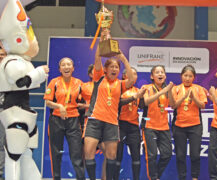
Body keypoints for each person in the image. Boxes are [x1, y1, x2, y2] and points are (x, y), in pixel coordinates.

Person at [0, 0, 49, 179]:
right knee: (13, 157)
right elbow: (20, 81)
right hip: (15, 114)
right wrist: (38, 74)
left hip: (25, 113)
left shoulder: (19, 60)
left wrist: (37, 75)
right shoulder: (11, 61)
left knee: (26, 155)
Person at [83, 47, 135, 180]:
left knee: (112, 156)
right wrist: (102, 39)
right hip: (94, 120)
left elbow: (132, 79)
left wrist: (123, 59)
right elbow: (97, 58)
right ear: (105, 69)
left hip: (111, 123)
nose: (114, 69)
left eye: (116, 67)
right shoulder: (99, 77)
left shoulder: (121, 83)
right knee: (88, 153)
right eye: (111, 67)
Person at [44, 57, 86, 180]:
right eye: (63, 65)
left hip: (73, 122)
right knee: (56, 153)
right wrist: (59, 106)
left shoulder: (79, 83)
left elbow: (88, 99)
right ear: (60, 69)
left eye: (69, 65)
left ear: (73, 68)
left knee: (76, 155)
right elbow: (47, 102)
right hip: (56, 121)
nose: (66, 67)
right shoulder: (54, 82)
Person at [171, 65, 207, 180]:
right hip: (179, 126)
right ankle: (182, 177)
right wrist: (184, 97)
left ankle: (194, 177)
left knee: (195, 155)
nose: (187, 78)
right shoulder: (175, 89)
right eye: (185, 75)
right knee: (180, 155)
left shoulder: (198, 88)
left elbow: (202, 106)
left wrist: (193, 97)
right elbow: (173, 106)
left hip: (195, 126)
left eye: (190, 76)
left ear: (194, 77)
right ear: (181, 76)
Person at [141, 65, 174, 180]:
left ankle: (156, 176)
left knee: (167, 154)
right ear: (152, 76)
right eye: (157, 72)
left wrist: (168, 91)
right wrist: (162, 92)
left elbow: (173, 105)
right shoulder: (147, 87)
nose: (160, 74)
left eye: (162, 72)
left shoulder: (168, 89)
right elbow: (146, 102)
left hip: (164, 127)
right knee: (152, 155)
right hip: (149, 125)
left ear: (165, 76)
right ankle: (153, 178)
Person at [114, 67, 146, 180]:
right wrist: (134, 97)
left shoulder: (138, 90)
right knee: (117, 157)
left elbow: (141, 106)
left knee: (136, 157)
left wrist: (141, 97)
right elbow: (117, 103)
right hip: (119, 125)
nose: (133, 76)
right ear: (124, 76)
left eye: (135, 74)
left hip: (133, 127)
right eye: (130, 74)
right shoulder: (118, 88)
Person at [0, 46, 7, 180]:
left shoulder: (11, 71)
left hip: (5, 110)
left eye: (3, 54)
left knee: (2, 144)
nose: (1, 56)